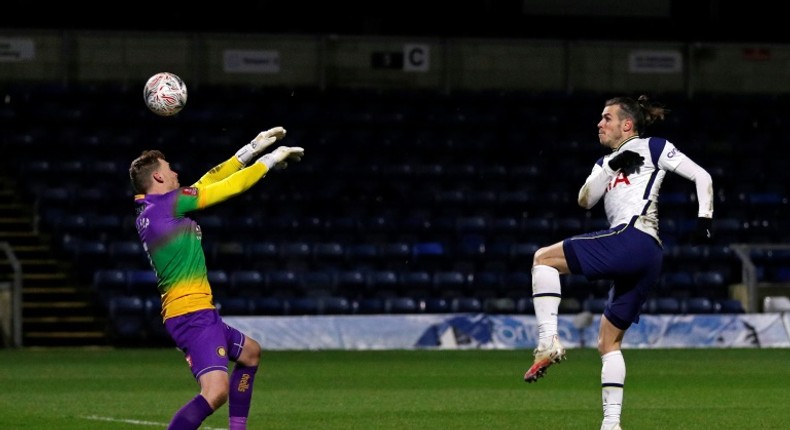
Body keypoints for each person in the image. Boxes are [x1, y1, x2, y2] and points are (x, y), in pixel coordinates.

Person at [523, 95, 713, 430]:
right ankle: (612, 424)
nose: (600, 123)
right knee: (608, 342)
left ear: (627, 124)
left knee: (543, 259)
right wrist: (611, 165)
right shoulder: (604, 163)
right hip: (649, 256)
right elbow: (585, 200)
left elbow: (702, 176)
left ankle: (547, 340)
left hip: (633, 239)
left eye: (607, 118)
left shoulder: (654, 146)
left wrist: (704, 219)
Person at [128, 127, 304, 430]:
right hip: (191, 313)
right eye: (169, 170)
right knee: (215, 391)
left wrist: (250, 150)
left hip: (192, 311)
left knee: (250, 353)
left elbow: (206, 181)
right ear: (157, 178)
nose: (175, 173)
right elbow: (226, 189)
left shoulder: (154, 208)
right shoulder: (167, 205)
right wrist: (270, 161)